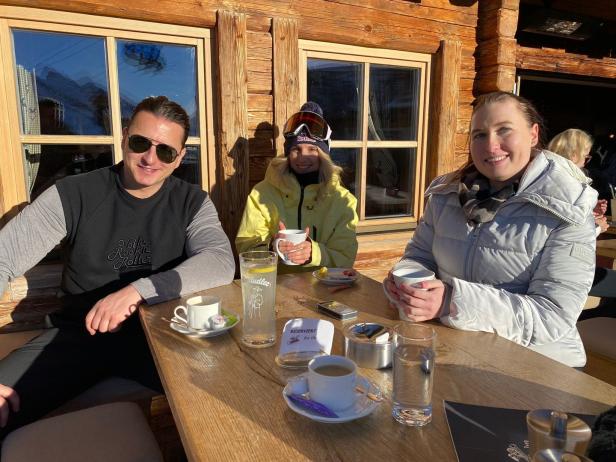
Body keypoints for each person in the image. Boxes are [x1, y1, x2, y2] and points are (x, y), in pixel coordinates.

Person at [0, 96, 235, 434]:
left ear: (180, 157)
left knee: (227, 405)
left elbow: (219, 260)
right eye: (141, 143)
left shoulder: (192, 202)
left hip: (162, 338)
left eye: (166, 151)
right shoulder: (74, 194)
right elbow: (4, 256)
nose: (151, 158)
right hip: (80, 336)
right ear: (125, 138)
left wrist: (136, 292)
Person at [383, 91, 597, 367]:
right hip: (456, 349)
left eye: (504, 130)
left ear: (533, 135)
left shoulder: (568, 208)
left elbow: (552, 315)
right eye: (479, 135)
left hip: (537, 367)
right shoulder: (446, 194)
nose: (491, 145)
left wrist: (452, 300)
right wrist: (406, 282)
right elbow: (421, 256)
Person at [236, 102, 358, 272]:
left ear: (324, 154)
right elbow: (245, 246)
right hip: (275, 286)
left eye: (312, 149)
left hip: (323, 288)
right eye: (296, 149)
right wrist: (272, 247)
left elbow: (345, 257)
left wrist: (313, 253)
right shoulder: (262, 193)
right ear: (287, 153)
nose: (303, 157)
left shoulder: (343, 200)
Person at [548, 128, 609, 234]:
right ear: (574, 155)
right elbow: (566, 236)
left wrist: (589, 208)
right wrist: (596, 227)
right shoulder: (566, 183)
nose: (585, 163)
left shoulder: (548, 175)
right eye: (586, 157)